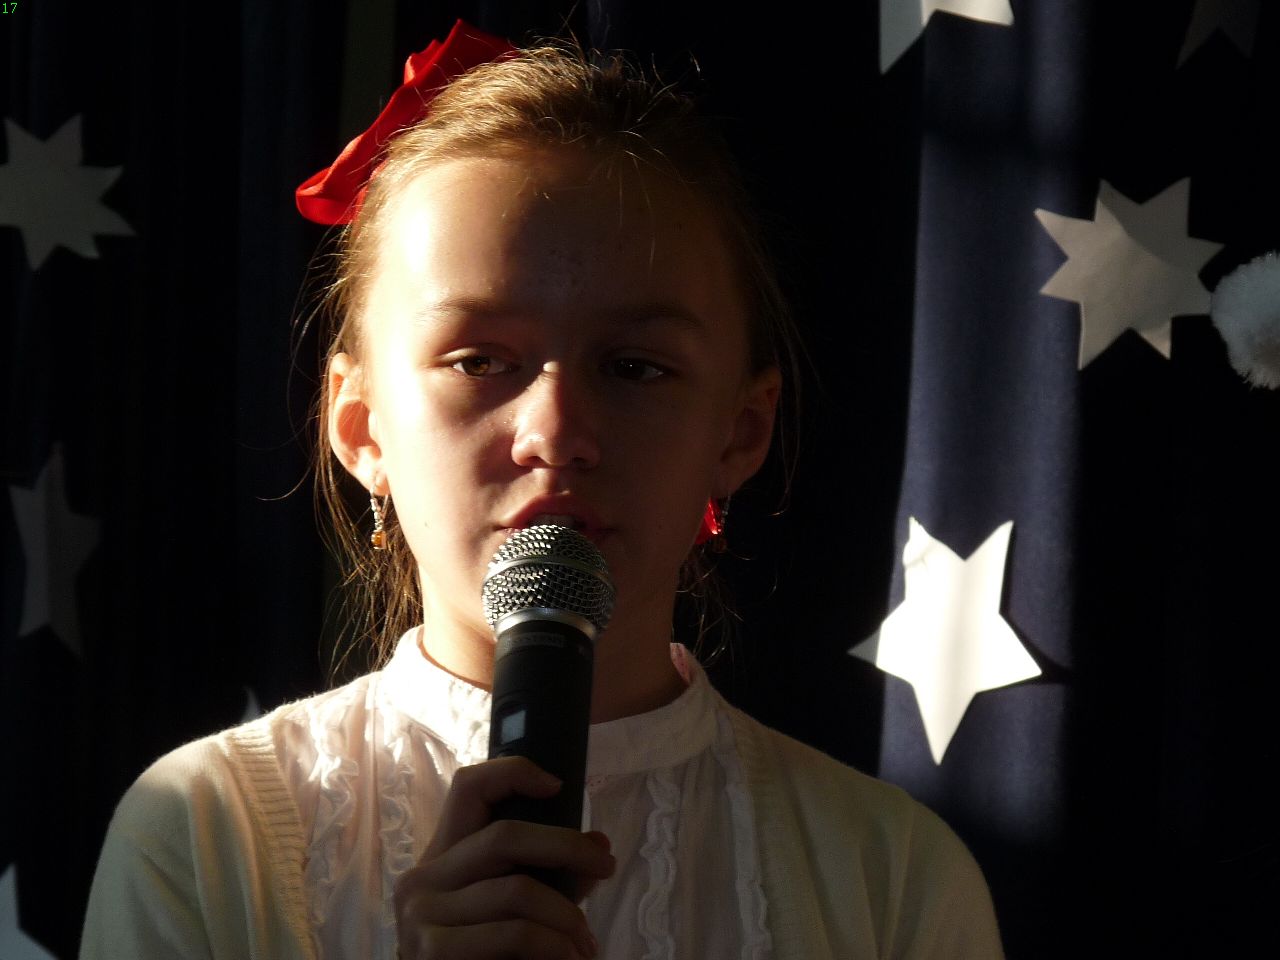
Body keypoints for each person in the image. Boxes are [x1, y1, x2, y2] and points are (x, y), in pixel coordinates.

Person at [79, 21, 1005, 960]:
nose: (556, 434)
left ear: (740, 430)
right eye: (479, 361)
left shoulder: (892, 878)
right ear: (360, 427)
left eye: (635, 367)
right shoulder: (204, 834)